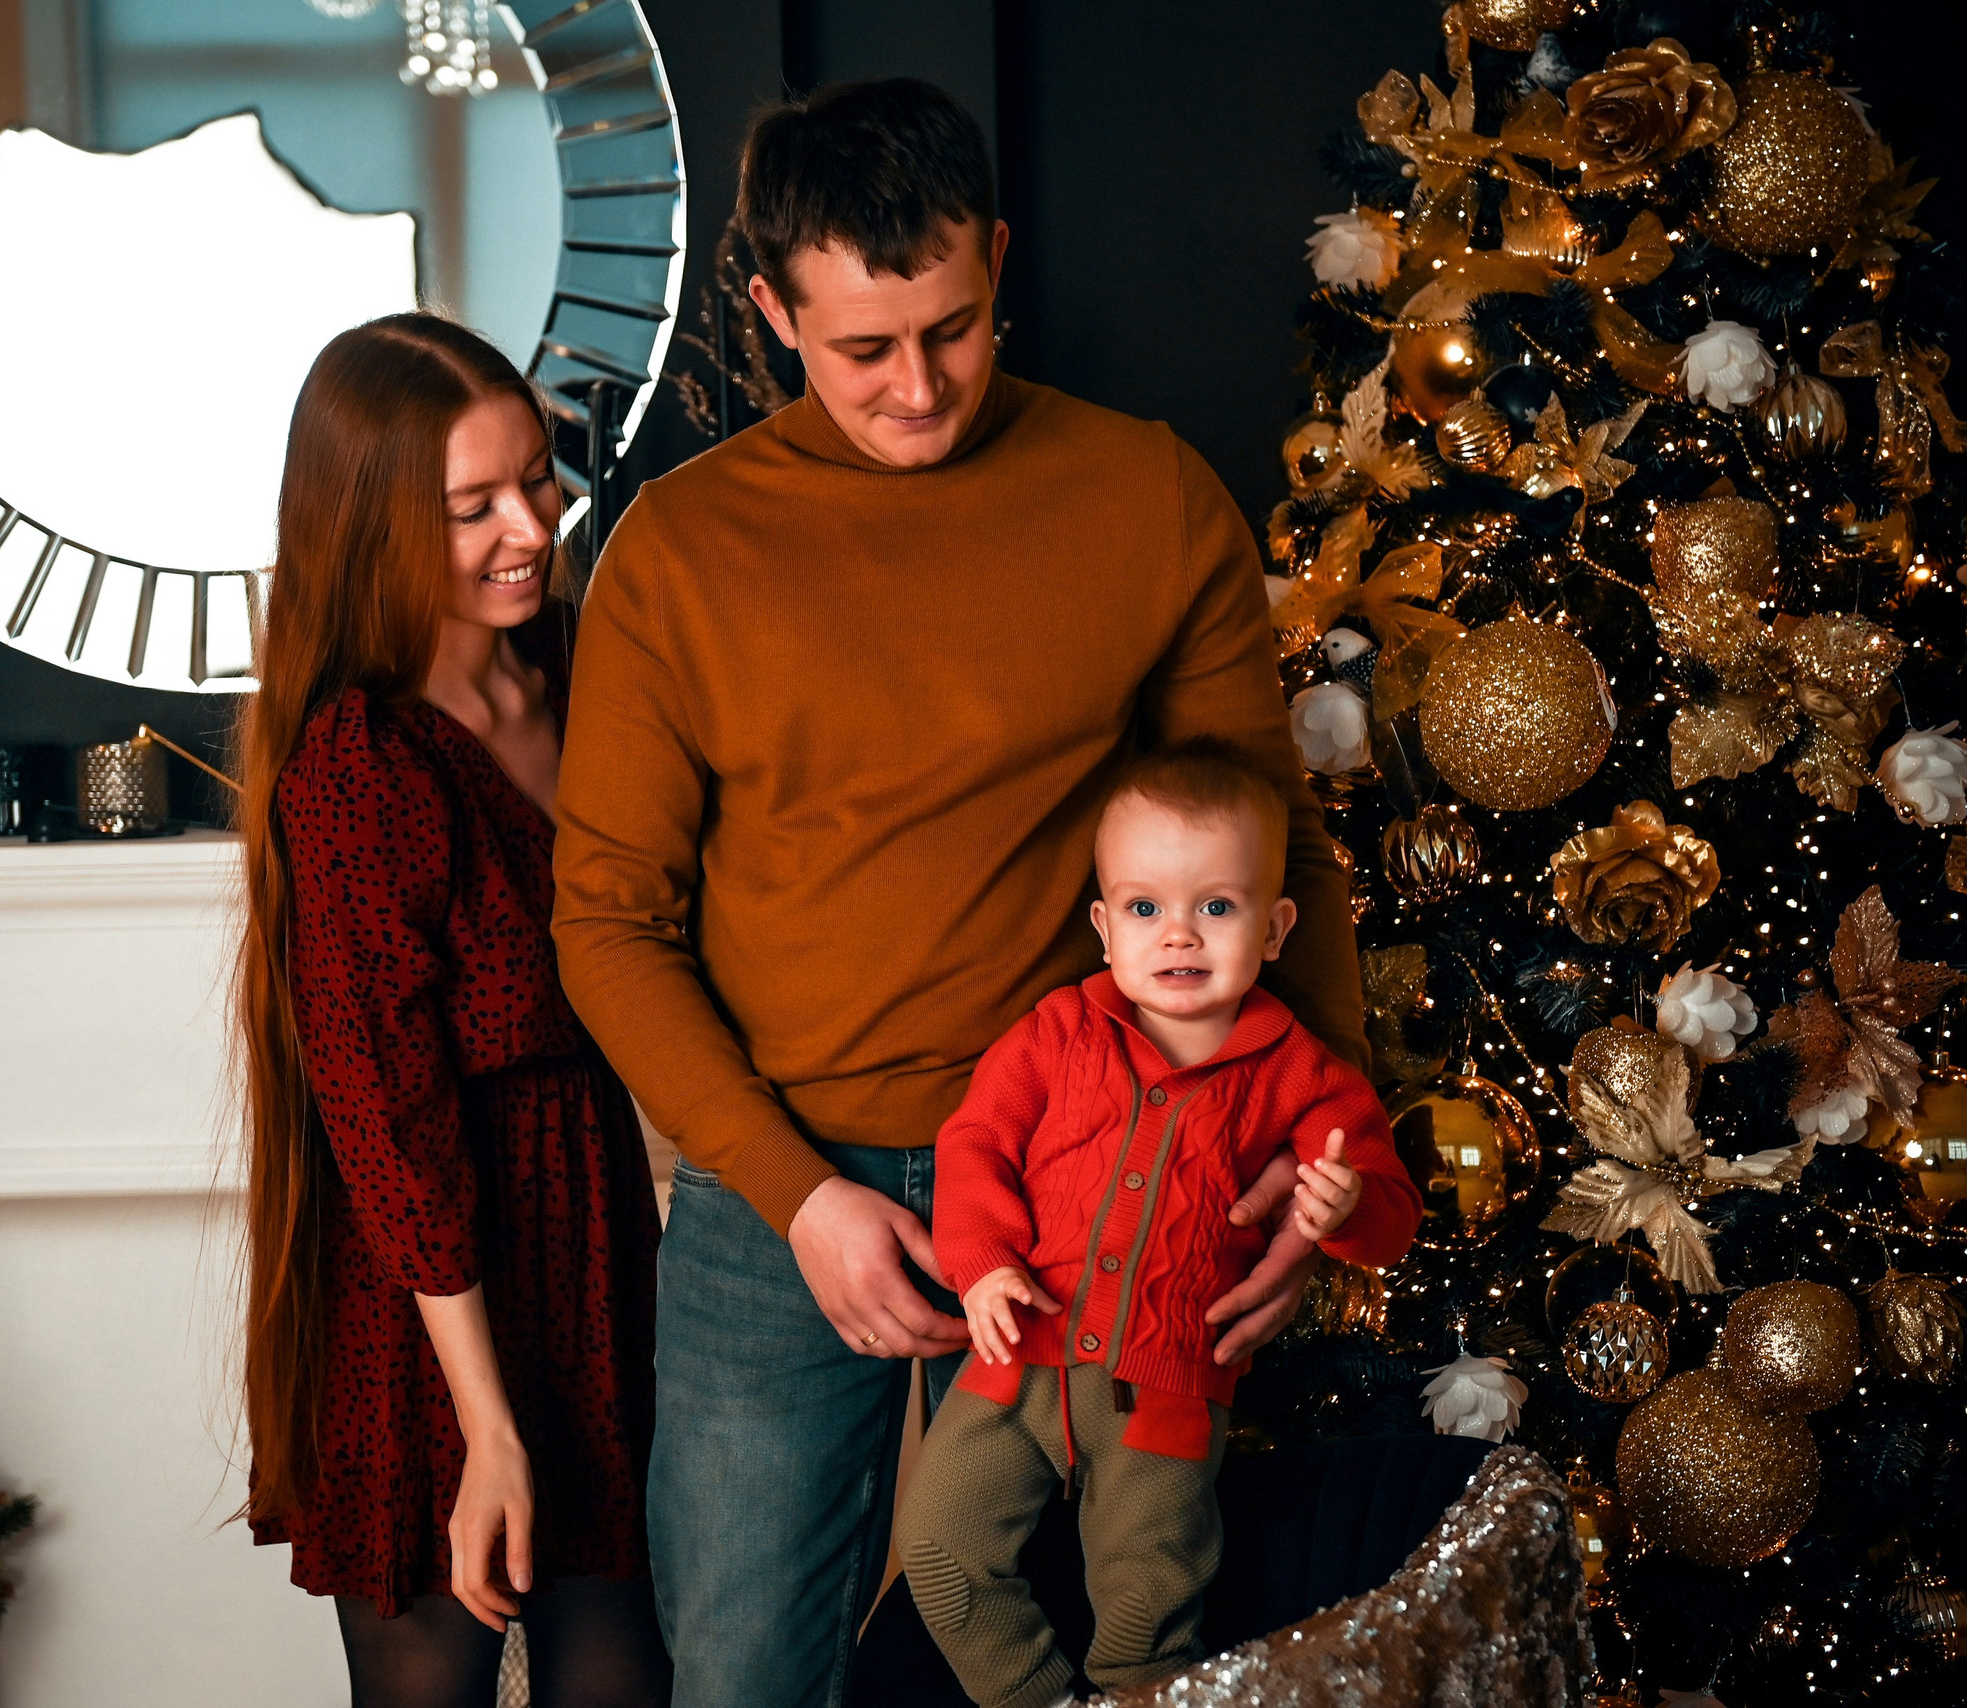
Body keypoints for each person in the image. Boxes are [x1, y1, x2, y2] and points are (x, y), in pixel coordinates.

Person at [549, 79, 1372, 1708]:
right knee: (738, 1671)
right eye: (863, 348)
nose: (917, 386)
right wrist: (799, 1195)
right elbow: (607, 923)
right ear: (775, 309)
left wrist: (1318, 1135)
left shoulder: (1144, 496)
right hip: (780, 1187)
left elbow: (1262, 836)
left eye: (954, 327)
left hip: (1101, 1163)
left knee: (1119, 1638)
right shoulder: (680, 551)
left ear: (997, 263)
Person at [234, 313, 671, 1708]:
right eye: (469, 505)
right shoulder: (360, 765)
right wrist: (485, 1424)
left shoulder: (582, 678)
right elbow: (391, 1129)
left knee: (628, 1685)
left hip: (599, 1264)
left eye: (536, 481)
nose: (527, 527)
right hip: (436, 1314)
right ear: (367, 528)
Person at [897, 744, 1421, 1708]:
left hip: (1167, 1391)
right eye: (1145, 908)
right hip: (1017, 1355)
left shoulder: (1297, 1071)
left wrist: (1343, 1209)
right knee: (939, 1550)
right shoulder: (1057, 1032)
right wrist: (980, 1265)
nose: (1178, 935)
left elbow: (1387, 1206)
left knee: (1148, 1612)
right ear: (1104, 926)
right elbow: (973, 1145)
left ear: (1274, 928)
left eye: (1215, 907)